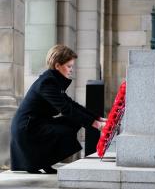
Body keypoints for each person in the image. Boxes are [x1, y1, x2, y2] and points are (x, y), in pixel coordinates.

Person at [10, 44, 107, 174]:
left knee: (73, 121)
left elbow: (71, 104)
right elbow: (66, 109)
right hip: (28, 129)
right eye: (69, 66)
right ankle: (37, 163)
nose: (71, 70)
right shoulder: (47, 82)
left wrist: (98, 118)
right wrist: (96, 125)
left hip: (37, 124)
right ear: (57, 65)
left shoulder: (53, 81)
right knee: (68, 124)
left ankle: (44, 162)